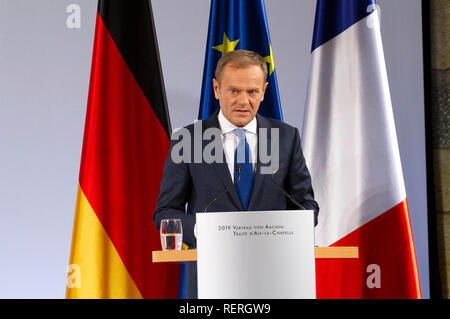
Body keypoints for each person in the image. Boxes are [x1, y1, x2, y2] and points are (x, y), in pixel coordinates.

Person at [153, 50, 319, 298]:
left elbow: (307, 205)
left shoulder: (285, 137)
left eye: (252, 92)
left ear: (263, 91)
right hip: (211, 280)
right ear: (217, 89)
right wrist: (206, 231)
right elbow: (165, 212)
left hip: (276, 278)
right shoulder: (187, 140)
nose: (243, 101)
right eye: (234, 91)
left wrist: (285, 229)